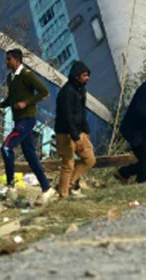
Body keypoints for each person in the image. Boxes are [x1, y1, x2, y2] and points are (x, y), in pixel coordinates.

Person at [0, 49, 55, 205]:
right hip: (18, 119)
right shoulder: (10, 78)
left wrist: (26, 103)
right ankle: (47, 188)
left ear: (17, 60)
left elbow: (44, 92)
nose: (6, 62)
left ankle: (10, 186)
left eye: (9, 59)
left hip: (27, 119)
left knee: (6, 147)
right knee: (30, 156)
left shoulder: (26, 75)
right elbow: (12, 98)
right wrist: (1, 105)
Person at [55, 61, 96, 198]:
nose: (87, 78)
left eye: (88, 75)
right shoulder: (67, 92)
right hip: (66, 134)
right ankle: (63, 195)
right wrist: (76, 138)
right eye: (85, 75)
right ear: (77, 76)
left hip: (79, 132)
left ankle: (69, 184)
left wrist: (86, 130)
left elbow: (82, 112)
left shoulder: (81, 90)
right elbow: (67, 118)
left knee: (89, 160)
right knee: (68, 165)